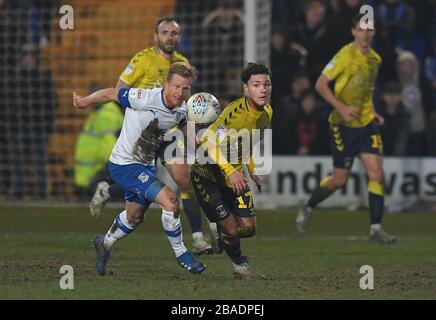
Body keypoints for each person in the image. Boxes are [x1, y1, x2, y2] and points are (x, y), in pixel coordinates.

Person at [90, 17, 212, 255]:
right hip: (143, 133)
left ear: (179, 37)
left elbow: (186, 101)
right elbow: (119, 88)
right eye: (165, 32)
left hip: (169, 132)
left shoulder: (183, 62)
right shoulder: (142, 58)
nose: (170, 37)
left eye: (174, 33)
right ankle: (107, 190)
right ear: (155, 37)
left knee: (184, 180)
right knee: (141, 191)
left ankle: (197, 238)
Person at [72, 62, 206, 276]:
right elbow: (111, 93)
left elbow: (186, 128)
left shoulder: (182, 110)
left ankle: (104, 243)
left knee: (135, 216)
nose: (180, 92)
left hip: (145, 166)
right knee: (170, 201)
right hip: (123, 165)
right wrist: (83, 102)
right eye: (176, 86)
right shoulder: (144, 97)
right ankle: (182, 255)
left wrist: (202, 146)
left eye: (185, 88)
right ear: (166, 84)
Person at [296, 13, 397, 244]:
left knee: (377, 174)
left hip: (365, 125)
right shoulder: (345, 55)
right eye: (361, 29)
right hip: (342, 125)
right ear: (354, 31)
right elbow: (320, 84)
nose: (365, 34)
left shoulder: (375, 60)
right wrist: (340, 107)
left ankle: (375, 229)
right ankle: (309, 205)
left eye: (369, 30)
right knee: (339, 180)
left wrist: (372, 111)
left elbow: (367, 91)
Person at [190, 62, 273, 279]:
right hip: (207, 173)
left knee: (248, 229)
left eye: (266, 84)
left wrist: (251, 168)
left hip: (233, 174)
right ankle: (240, 267)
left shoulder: (267, 113)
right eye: (256, 85)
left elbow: (248, 141)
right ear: (246, 88)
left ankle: (217, 228)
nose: (263, 89)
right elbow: (207, 139)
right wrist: (231, 171)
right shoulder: (234, 113)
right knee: (231, 229)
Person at [73, 96, 124, 202]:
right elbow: (108, 142)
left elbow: (108, 142)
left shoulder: (107, 113)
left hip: (93, 169)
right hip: (92, 172)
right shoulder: (105, 114)